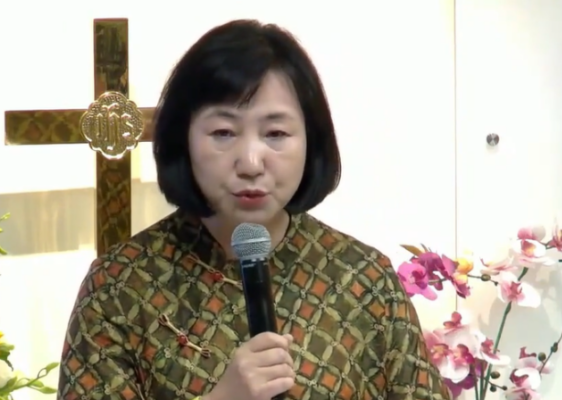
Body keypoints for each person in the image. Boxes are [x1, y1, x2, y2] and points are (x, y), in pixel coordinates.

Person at [57, 19, 449, 400]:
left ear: (311, 140)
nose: (250, 162)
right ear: (183, 139)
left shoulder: (363, 278)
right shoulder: (120, 285)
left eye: (275, 133)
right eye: (223, 132)